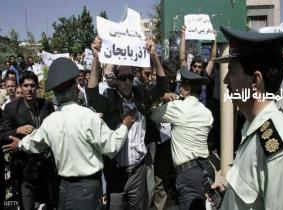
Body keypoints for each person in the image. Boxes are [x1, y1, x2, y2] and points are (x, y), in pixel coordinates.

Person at [2, 57, 136, 210]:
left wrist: (20, 143)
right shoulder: (88, 116)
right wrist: (125, 126)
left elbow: (34, 142)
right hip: (87, 190)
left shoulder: (51, 121)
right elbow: (111, 147)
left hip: (63, 188)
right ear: (75, 89)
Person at [212, 26, 283, 209]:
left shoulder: (280, 150)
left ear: (255, 81)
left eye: (232, 72)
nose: (226, 81)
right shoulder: (255, 127)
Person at [86, 37, 168, 210]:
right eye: (123, 78)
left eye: (130, 77)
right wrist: (95, 57)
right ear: (116, 79)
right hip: (115, 173)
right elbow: (92, 95)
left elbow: (162, 86)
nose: (127, 82)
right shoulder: (110, 98)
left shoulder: (141, 96)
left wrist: (153, 55)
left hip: (138, 172)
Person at [150, 67, 214, 210]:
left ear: (187, 88)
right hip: (206, 168)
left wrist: (162, 99)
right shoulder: (207, 112)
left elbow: (153, 115)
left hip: (188, 173)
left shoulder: (178, 107)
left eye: (181, 86)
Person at [0, 71, 57, 210]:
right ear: (21, 86)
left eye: (32, 85)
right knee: (27, 205)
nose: (29, 89)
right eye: (25, 85)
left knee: (52, 204)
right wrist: (17, 130)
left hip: (46, 166)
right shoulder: (11, 108)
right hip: (25, 168)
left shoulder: (47, 105)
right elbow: (2, 135)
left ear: (37, 87)